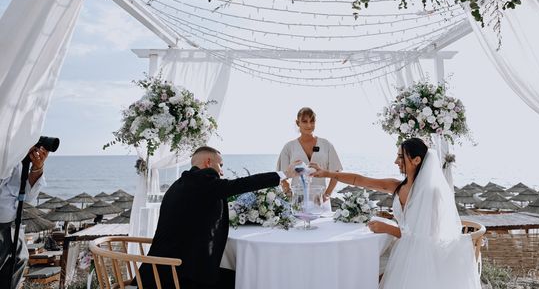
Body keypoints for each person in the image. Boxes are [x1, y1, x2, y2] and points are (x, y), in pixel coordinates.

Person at [311, 138, 481, 288]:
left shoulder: (432, 193)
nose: (396, 161)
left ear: (416, 160)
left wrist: (387, 228)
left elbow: (429, 235)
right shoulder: (397, 186)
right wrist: (327, 173)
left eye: (401, 157)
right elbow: (360, 180)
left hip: (423, 259)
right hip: (404, 250)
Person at [137, 146, 301, 289]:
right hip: (177, 277)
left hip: (159, 271)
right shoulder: (202, 180)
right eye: (220, 165)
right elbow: (241, 184)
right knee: (248, 280)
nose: (222, 171)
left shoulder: (180, 184)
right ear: (208, 162)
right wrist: (284, 174)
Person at [0, 146, 49, 289]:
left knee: (20, 259)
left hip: (12, 224)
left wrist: (37, 167)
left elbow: (28, 195)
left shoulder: (18, 153)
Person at [276, 107, 342, 208]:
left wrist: (327, 195)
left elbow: (336, 173)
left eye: (312, 121)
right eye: (305, 121)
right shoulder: (289, 147)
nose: (309, 125)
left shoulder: (326, 144)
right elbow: (281, 175)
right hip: (297, 203)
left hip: (321, 201)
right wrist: (288, 193)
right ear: (298, 123)